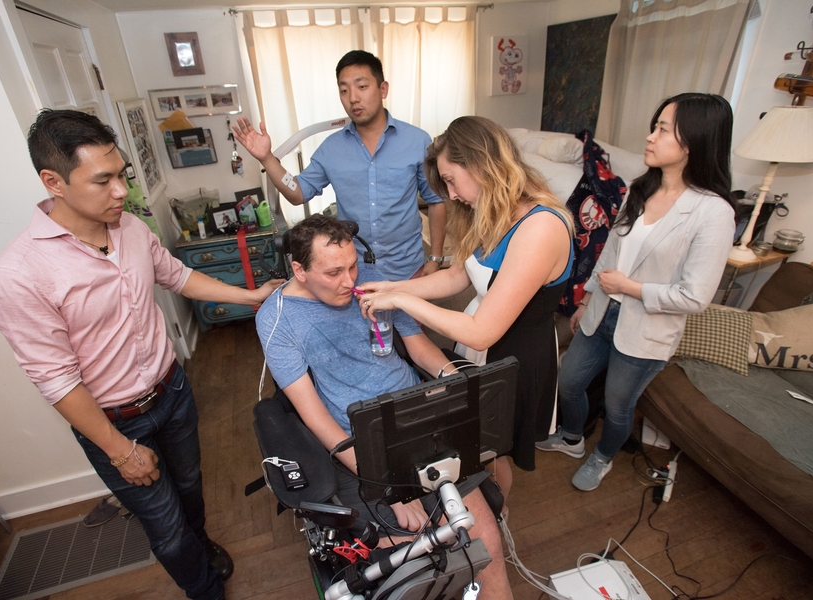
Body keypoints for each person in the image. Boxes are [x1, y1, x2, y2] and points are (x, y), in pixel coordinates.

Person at [0, 109, 283, 600]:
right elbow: (57, 382)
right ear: (53, 181)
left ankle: (202, 545)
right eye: (103, 180)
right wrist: (120, 451)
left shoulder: (132, 230)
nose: (122, 190)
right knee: (164, 526)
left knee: (189, 490)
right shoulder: (19, 276)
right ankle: (205, 591)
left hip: (173, 393)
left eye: (121, 174)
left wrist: (250, 296)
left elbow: (178, 276)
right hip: (114, 423)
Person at [255, 214, 513, 600]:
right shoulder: (277, 320)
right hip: (357, 442)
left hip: (418, 415)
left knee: (484, 543)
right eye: (333, 272)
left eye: (353, 265)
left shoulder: (374, 280)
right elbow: (313, 415)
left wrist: (458, 383)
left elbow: (419, 348)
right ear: (299, 270)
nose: (349, 281)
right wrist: (392, 485)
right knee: (410, 568)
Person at [357, 116, 575, 500]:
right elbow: (460, 275)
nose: (452, 195)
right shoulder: (500, 213)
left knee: (488, 454)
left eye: (451, 180)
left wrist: (403, 300)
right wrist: (394, 285)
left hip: (513, 356)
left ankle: (496, 516)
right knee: (474, 450)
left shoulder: (541, 227)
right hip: (480, 343)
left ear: (479, 163)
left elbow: (482, 330)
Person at [535, 93, 737, 491]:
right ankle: (573, 438)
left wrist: (630, 288)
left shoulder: (713, 213)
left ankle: (602, 457)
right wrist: (589, 299)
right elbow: (610, 249)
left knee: (617, 406)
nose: (650, 136)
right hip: (602, 312)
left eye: (663, 129)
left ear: (693, 141)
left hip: (645, 329)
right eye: (655, 126)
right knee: (570, 382)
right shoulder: (639, 190)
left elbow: (696, 296)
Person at [230, 50, 446, 281]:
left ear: (383, 89)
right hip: (354, 271)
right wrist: (267, 158)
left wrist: (435, 259)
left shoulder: (417, 141)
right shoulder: (331, 149)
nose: (353, 98)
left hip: (408, 269)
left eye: (361, 87)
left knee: (411, 319)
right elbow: (297, 193)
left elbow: (436, 201)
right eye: (344, 90)